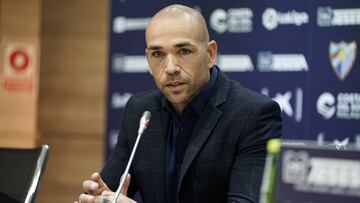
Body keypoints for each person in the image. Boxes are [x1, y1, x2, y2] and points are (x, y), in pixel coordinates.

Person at [77, 4, 282, 203]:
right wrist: (101, 198)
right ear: (148, 60)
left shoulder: (253, 114)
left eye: (183, 51)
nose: (171, 68)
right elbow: (110, 190)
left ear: (210, 54)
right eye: (158, 54)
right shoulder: (140, 110)